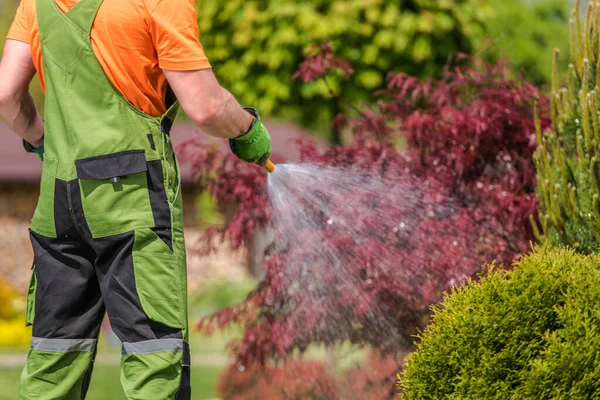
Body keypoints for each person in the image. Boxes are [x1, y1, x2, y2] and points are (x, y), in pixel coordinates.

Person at [0, 0, 271, 398]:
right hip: (132, 197)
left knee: (54, 357)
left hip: (58, 200)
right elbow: (206, 107)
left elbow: (6, 95)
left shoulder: (36, 3)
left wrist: (42, 141)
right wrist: (247, 129)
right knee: (154, 355)